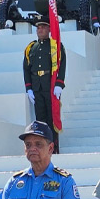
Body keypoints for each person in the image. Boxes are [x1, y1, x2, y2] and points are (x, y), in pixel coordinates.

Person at [23, 17, 66, 153]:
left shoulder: (55, 46)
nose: (40, 30)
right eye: (38, 28)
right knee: (40, 119)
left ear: (49, 29)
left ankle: (54, 148)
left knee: (52, 118)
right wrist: (29, 88)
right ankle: (43, 149)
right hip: (37, 87)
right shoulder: (31, 47)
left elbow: (62, 65)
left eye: (43, 27)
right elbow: (26, 69)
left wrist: (59, 84)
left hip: (50, 86)